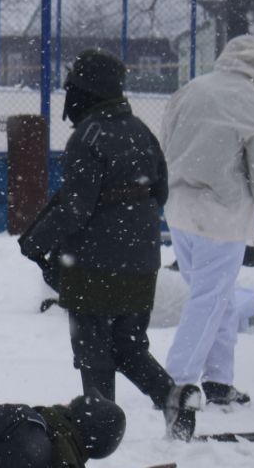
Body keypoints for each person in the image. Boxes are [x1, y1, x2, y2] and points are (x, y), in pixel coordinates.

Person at [17, 50, 185, 434]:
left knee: (92, 350)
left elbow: (75, 208)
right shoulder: (141, 130)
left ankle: (100, 429)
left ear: (85, 90)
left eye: (72, 88)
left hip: (94, 264)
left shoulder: (87, 137)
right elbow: (160, 191)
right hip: (143, 260)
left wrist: (34, 242)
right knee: (128, 346)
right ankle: (171, 397)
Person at [159, 34, 254, 411]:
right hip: (221, 213)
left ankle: (218, 380)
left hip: (179, 207)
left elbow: (165, 139)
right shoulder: (253, 103)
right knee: (210, 297)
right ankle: (178, 381)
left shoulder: (193, 89)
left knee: (218, 295)